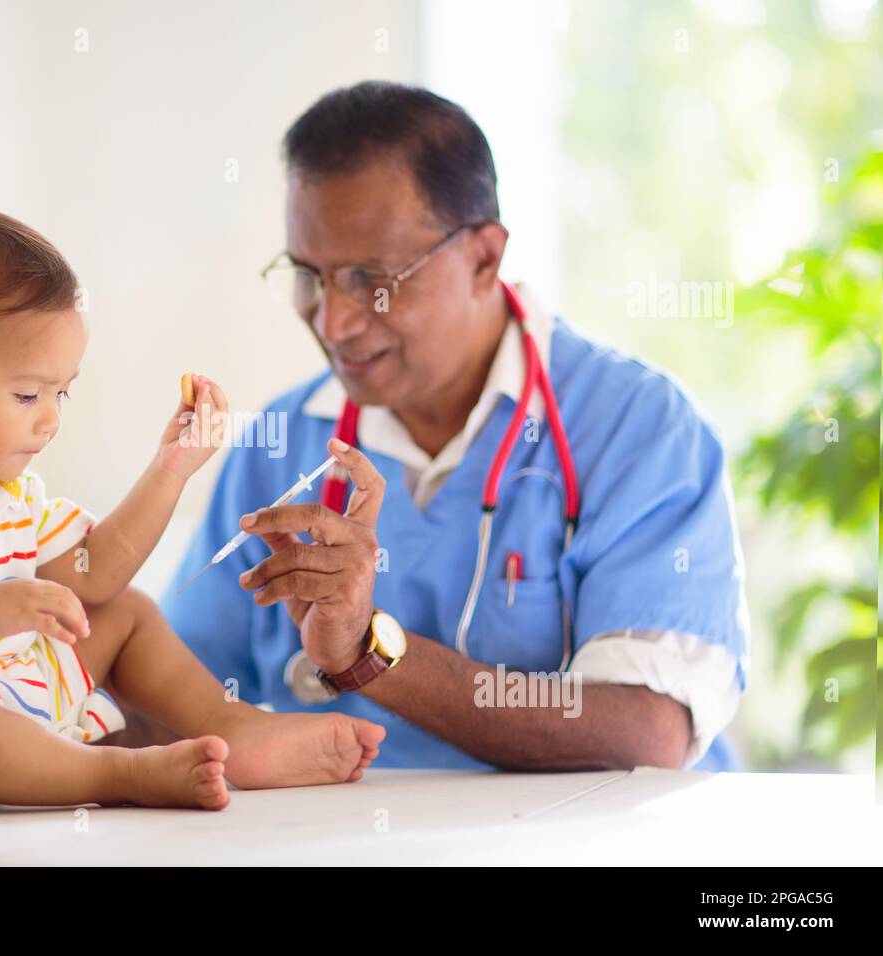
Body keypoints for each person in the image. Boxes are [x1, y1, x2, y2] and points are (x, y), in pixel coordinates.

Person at [159, 82, 749, 772]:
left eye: (371, 279)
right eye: (308, 275)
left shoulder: (639, 431)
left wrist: (367, 653)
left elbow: (646, 732)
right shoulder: (281, 443)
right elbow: (172, 688)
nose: (332, 321)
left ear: (484, 258)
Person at [0, 206, 384, 811]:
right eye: (27, 394)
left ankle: (232, 726)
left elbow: (95, 572)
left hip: (6, 688)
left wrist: (169, 471)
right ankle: (117, 774)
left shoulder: (6, 487)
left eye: (62, 393)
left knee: (124, 611)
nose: (51, 420)